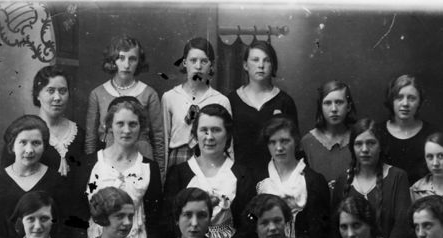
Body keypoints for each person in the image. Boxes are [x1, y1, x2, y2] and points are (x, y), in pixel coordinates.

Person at [161, 104, 255, 238]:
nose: (209, 137)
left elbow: (248, 227)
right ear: (195, 134)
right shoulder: (179, 173)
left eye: (216, 130)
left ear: (227, 134)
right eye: (204, 130)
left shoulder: (242, 174)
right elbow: (169, 222)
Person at [83, 96, 162, 238]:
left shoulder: (149, 168)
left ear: (140, 127)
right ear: (109, 126)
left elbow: (154, 220)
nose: (126, 130)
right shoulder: (90, 164)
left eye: (133, 124)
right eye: (120, 123)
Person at [332, 118, 414, 238]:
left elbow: (402, 226)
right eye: (359, 144)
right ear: (352, 148)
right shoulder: (343, 180)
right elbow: (336, 229)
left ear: (381, 146)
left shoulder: (397, 177)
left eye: (371, 143)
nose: (365, 149)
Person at [85, 34, 165, 169]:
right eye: (121, 58)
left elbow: (158, 140)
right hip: (109, 160)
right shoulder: (97, 94)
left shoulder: (149, 94)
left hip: (142, 159)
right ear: (112, 60)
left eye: (132, 59)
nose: (126, 65)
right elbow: (90, 139)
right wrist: (89, 169)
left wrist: (160, 174)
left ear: (139, 62)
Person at [256, 115, 330, 238]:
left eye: (285, 141)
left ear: (295, 141)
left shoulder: (313, 181)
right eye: (272, 142)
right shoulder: (259, 181)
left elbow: (321, 235)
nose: (279, 148)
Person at [32, 65, 88, 238]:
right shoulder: (26, 134)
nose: (57, 97)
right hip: (39, 224)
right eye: (50, 91)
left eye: (62, 91)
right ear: (38, 94)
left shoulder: (80, 134)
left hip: (76, 225)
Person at [161, 37, 232, 173]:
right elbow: (164, 142)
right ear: (184, 63)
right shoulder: (170, 97)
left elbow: (229, 145)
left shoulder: (221, 100)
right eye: (193, 60)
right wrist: (163, 176)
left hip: (211, 160)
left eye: (204, 61)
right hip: (178, 160)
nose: (198, 66)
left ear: (211, 65)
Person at [228, 40, 298, 170]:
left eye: (266, 60)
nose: (261, 65)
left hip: (276, 174)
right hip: (240, 174)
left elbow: (293, 145)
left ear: (273, 65)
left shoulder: (284, 101)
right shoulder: (231, 100)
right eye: (255, 60)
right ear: (245, 65)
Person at [378, 74, 438, 185]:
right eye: (399, 97)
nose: (405, 104)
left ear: (419, 102)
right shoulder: (377, 132)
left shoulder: (432, 134)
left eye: (412, 98)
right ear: (391, 101)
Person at [300, 80, 357, 190]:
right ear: (320, 107)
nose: (334, 109)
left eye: (339, 102)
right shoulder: (307, 142)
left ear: (349, 107)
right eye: (327, 103)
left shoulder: (358, 139)